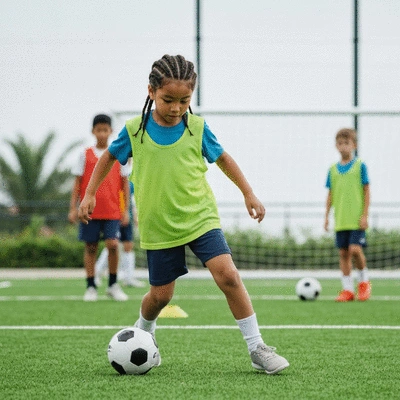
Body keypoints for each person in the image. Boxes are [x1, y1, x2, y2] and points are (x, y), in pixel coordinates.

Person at [78, 55, 289, 374]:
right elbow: (108, 158)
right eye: (168, 100)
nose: (176, 107)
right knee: (160, 296)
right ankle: (144, 334)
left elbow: (224, 159)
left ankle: (257, 347)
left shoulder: (197, 128)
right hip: (159, 225)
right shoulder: (135, 130)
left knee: (228, 275)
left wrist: (248, 193)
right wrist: (89, 194)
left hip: (200, 217)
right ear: (151, 91)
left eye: (184, 100)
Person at [69, 113, 130, 302]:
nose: (102, 134)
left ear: (111, 131)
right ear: (93, 131)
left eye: (105, 130)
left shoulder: (119, 154)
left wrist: (126, 209)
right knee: (91, 247)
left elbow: (125, 183)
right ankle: (90, 286)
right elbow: (77, 183)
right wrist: (73, 208)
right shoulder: (84, 154)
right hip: (90, 210)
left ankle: (112, 284)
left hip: (112, 210)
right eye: (99, 130)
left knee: (113, 245)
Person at [324, 128, 371, 302]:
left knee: (355, 250)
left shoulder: (360, 166)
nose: (343, 147)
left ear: (354, 145)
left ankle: (364, 283)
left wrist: (365, 215)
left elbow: (367, 191)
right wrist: (326, 216)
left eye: (347, 143)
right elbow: (330, 195)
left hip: (356, 218)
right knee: (343, 253)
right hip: (341, 219)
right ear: (336, 146)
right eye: (340, 143)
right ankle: (348, 290)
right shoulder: (332, 169)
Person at [95, 179, 145, 288]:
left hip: (127, 217)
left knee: (128, 245)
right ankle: (97, 272)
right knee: (112, 244)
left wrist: (133, 215)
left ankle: (128, 278)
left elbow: (132, 200)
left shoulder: (131, 180)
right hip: (115, 215)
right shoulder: (116, 177)